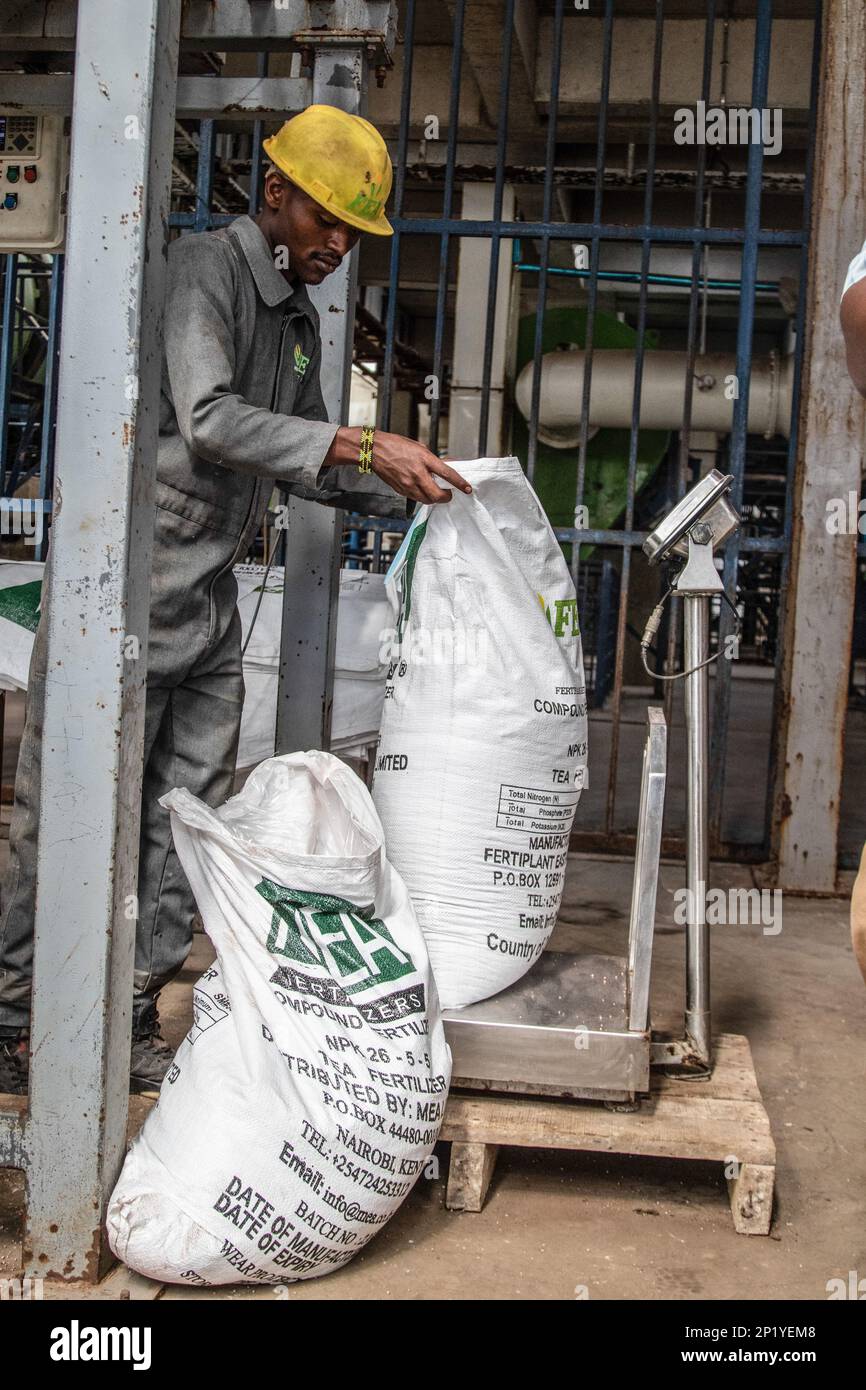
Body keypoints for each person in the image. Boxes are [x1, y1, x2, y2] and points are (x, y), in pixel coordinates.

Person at [0, 104, 470, 1097]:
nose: (337, 246)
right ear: (276, 196)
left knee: (189, 819)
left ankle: (128, 1005)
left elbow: (303, 453)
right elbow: (209, 418)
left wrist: (402, 477)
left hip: (207, 603)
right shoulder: (203, 271)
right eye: (327, 222)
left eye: (353, 234)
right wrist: (357, 442)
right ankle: (14, 1019)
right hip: (119, 596)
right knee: (70, 816)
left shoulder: (298, 329)